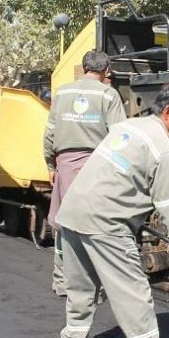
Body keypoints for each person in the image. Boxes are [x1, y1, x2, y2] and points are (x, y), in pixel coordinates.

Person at [54, 83, 169, 338]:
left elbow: (122, 175)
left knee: (82, 290)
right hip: (107, 224)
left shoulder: (130, 126)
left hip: (72, 213)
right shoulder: (163, 149)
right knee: (133, 292)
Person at [43, 50, 126, 296]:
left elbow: (49, 134)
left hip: (65, 167)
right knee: (94, 228)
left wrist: (50, 165)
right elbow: (119, 138)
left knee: (63, 225)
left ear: (83, 67)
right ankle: (92, 286)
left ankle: (61, 282)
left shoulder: (62, 93)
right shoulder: (109, 95)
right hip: (96, 170)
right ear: (106, 71)